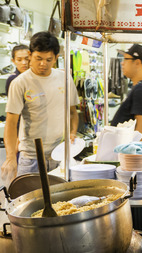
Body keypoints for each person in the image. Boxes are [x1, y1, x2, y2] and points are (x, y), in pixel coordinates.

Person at [1, 31, 79, 183]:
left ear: (56, 58)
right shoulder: (20, 83)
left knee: (61, 203)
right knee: (30, 203)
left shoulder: (65, 79)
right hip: (31, 158)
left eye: (49, 59)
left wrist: (73, 132)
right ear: (30, 55)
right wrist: (11, 157)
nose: (43, 64)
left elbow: (72, 113)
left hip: (60, 154)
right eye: (38, 58)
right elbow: (10, 123)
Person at [111, 44, 142, 142]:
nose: (122, 63)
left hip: (131, 155)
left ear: (137, 63)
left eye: (126, 59)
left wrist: (134, 155)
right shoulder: (141, 87)